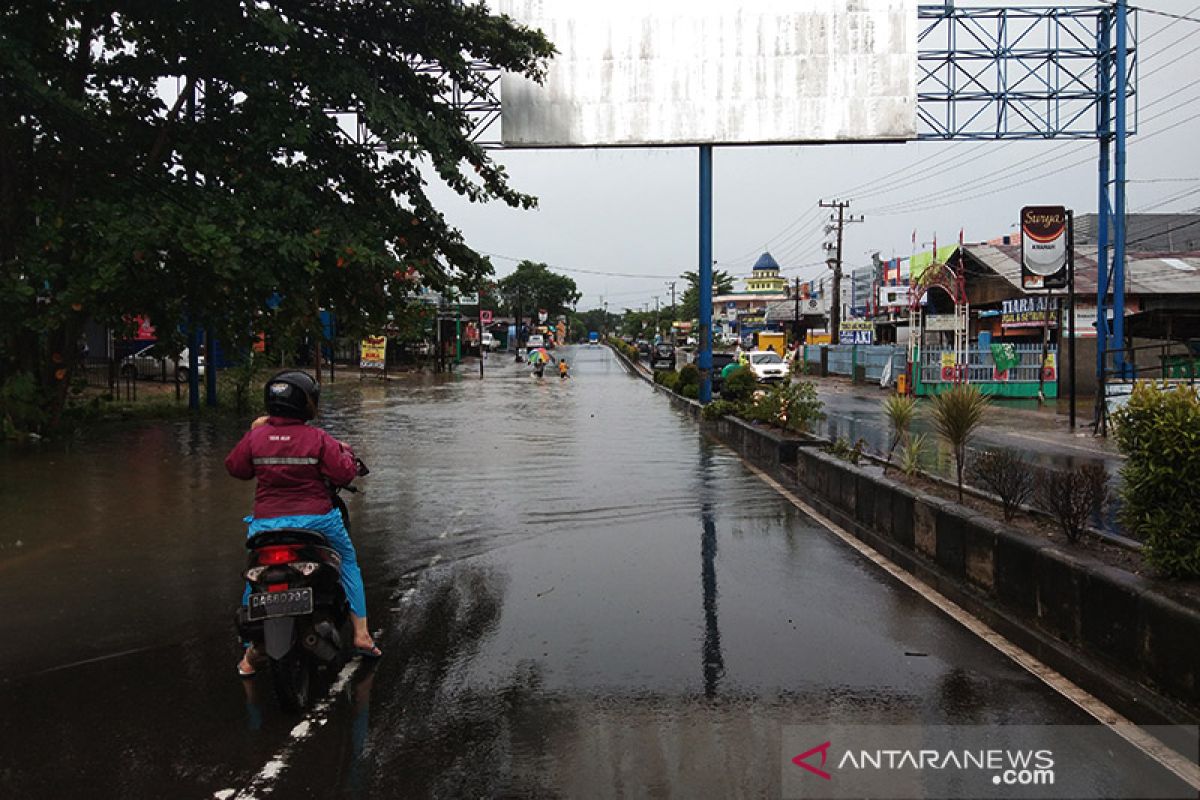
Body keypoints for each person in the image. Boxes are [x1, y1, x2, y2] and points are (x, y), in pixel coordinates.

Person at [225, 370, 380, 677]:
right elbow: (344, 474)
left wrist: (254, 432)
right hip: (318, 522)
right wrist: (345, 452)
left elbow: (237, 468)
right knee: (347, 562)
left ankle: (248, 653)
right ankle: (361, 633)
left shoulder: (257, 436)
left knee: (254, 577)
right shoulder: (318, 438)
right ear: (307, 404)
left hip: (266, 526)